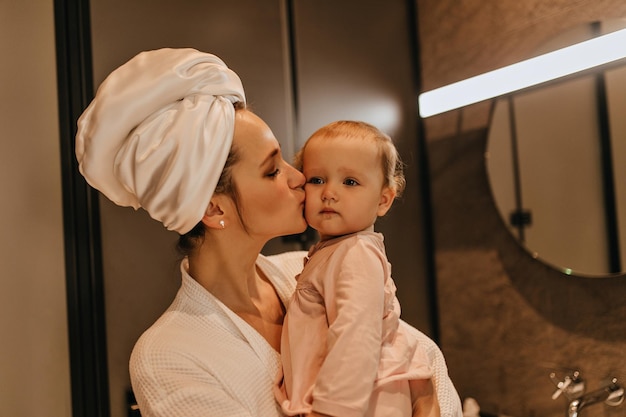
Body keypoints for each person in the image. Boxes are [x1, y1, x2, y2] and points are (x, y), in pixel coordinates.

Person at [75, 48, 463, 417]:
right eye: (273, 170)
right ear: (214, 208)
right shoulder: (168, 354)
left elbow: (420, 358)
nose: (300, 180)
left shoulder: (307, 267)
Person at [274, 121, 441, 417]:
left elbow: (356, 336)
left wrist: (330, 410)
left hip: (362, 404)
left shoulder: (356, 253)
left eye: (350, 182)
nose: (329, 193)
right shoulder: (337, 251)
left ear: (383, 200)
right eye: (316, 180)